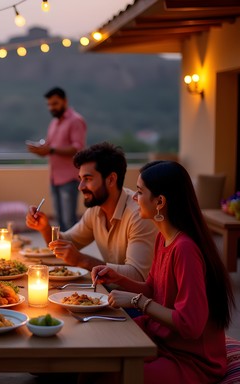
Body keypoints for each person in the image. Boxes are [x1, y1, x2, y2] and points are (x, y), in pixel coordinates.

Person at [91, 161, 235, 384]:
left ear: (160, 201)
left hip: (190, 359)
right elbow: (153, 288)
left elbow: (190, 324)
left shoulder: (184, 249)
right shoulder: (163, 238)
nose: (135, 199)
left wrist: (137, 302)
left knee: (108, 375)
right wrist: (118, 278)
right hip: (162, 340)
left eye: (139, 192)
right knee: (97, 352)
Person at [26, 142, 157, 281]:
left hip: (135, 300)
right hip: (109, 292)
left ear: (111, 179)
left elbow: (137, 276)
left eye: (87, 179)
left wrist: (82, 260)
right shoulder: (96, 210)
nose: (80, 187)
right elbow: (67, 243)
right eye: (80, 179)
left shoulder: (138, 215)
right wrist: (44, 228)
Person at [26, 87, 86, 231]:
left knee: (68, 221)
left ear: (65, 101)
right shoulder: (54, 123)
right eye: (49, 104)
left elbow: (78, 148)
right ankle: (61, 252)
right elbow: (49, 146)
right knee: (59, 221)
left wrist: (51, 150)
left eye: (55, 103)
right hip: (54, 177)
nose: (51, 107)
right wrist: (39, 150)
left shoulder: (76, 121)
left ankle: (72, 252)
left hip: (69, 178)